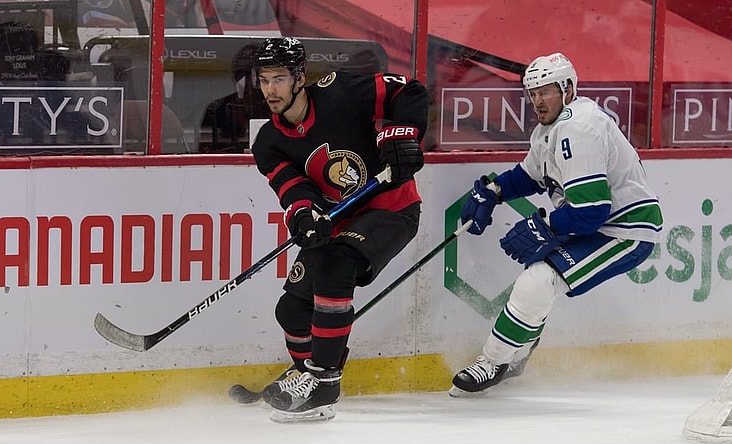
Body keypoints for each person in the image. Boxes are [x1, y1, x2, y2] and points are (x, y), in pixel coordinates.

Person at [449, 53, 663, 396]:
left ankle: (495, 361)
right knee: (537, 278)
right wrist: (494, 191)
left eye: (545, 91)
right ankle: (516, 352)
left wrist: (543, 225)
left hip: (626, 230)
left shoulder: (579, 127)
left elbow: (591, 211)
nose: (537, 100)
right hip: (601, 224)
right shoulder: (550, 130)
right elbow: (530, 176)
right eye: (531, 93)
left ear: (568, 89)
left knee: (539, 277)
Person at [250, 37, 428, 422]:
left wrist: (405, 134)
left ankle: (325, 380)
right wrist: (303, 215)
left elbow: (409, 91)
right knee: (292, 311)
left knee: (335, 264)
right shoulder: (268, 141)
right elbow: (293, 188)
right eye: (264, 80)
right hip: (338, 221)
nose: (270, 90)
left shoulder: (341, 92)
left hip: (392, 206)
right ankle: (306, 377)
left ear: (300, 77)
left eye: (279, 78)